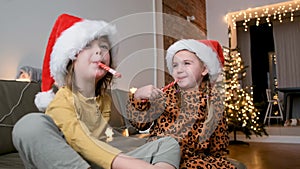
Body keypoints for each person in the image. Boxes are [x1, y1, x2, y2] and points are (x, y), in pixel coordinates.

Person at [12, 13, 180, 169]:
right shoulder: (62, 100)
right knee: (29, 126)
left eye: (104, 46)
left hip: (103, 157)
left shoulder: (104, 99)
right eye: (87, 45)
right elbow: (82, 141)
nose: (99, 50)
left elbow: (109, 138)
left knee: (168, 143)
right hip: (74, 158)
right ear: (71, 59)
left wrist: (136, 95)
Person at [126, 39, 243, 169]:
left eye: (187, 63)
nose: (179, 70)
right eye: (175, 65)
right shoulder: (163, 95)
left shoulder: (213, 103)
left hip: (194, 160)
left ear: (204, 69)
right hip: (161, 155)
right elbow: (140, 124)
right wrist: (138, 97)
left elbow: (218, 145)